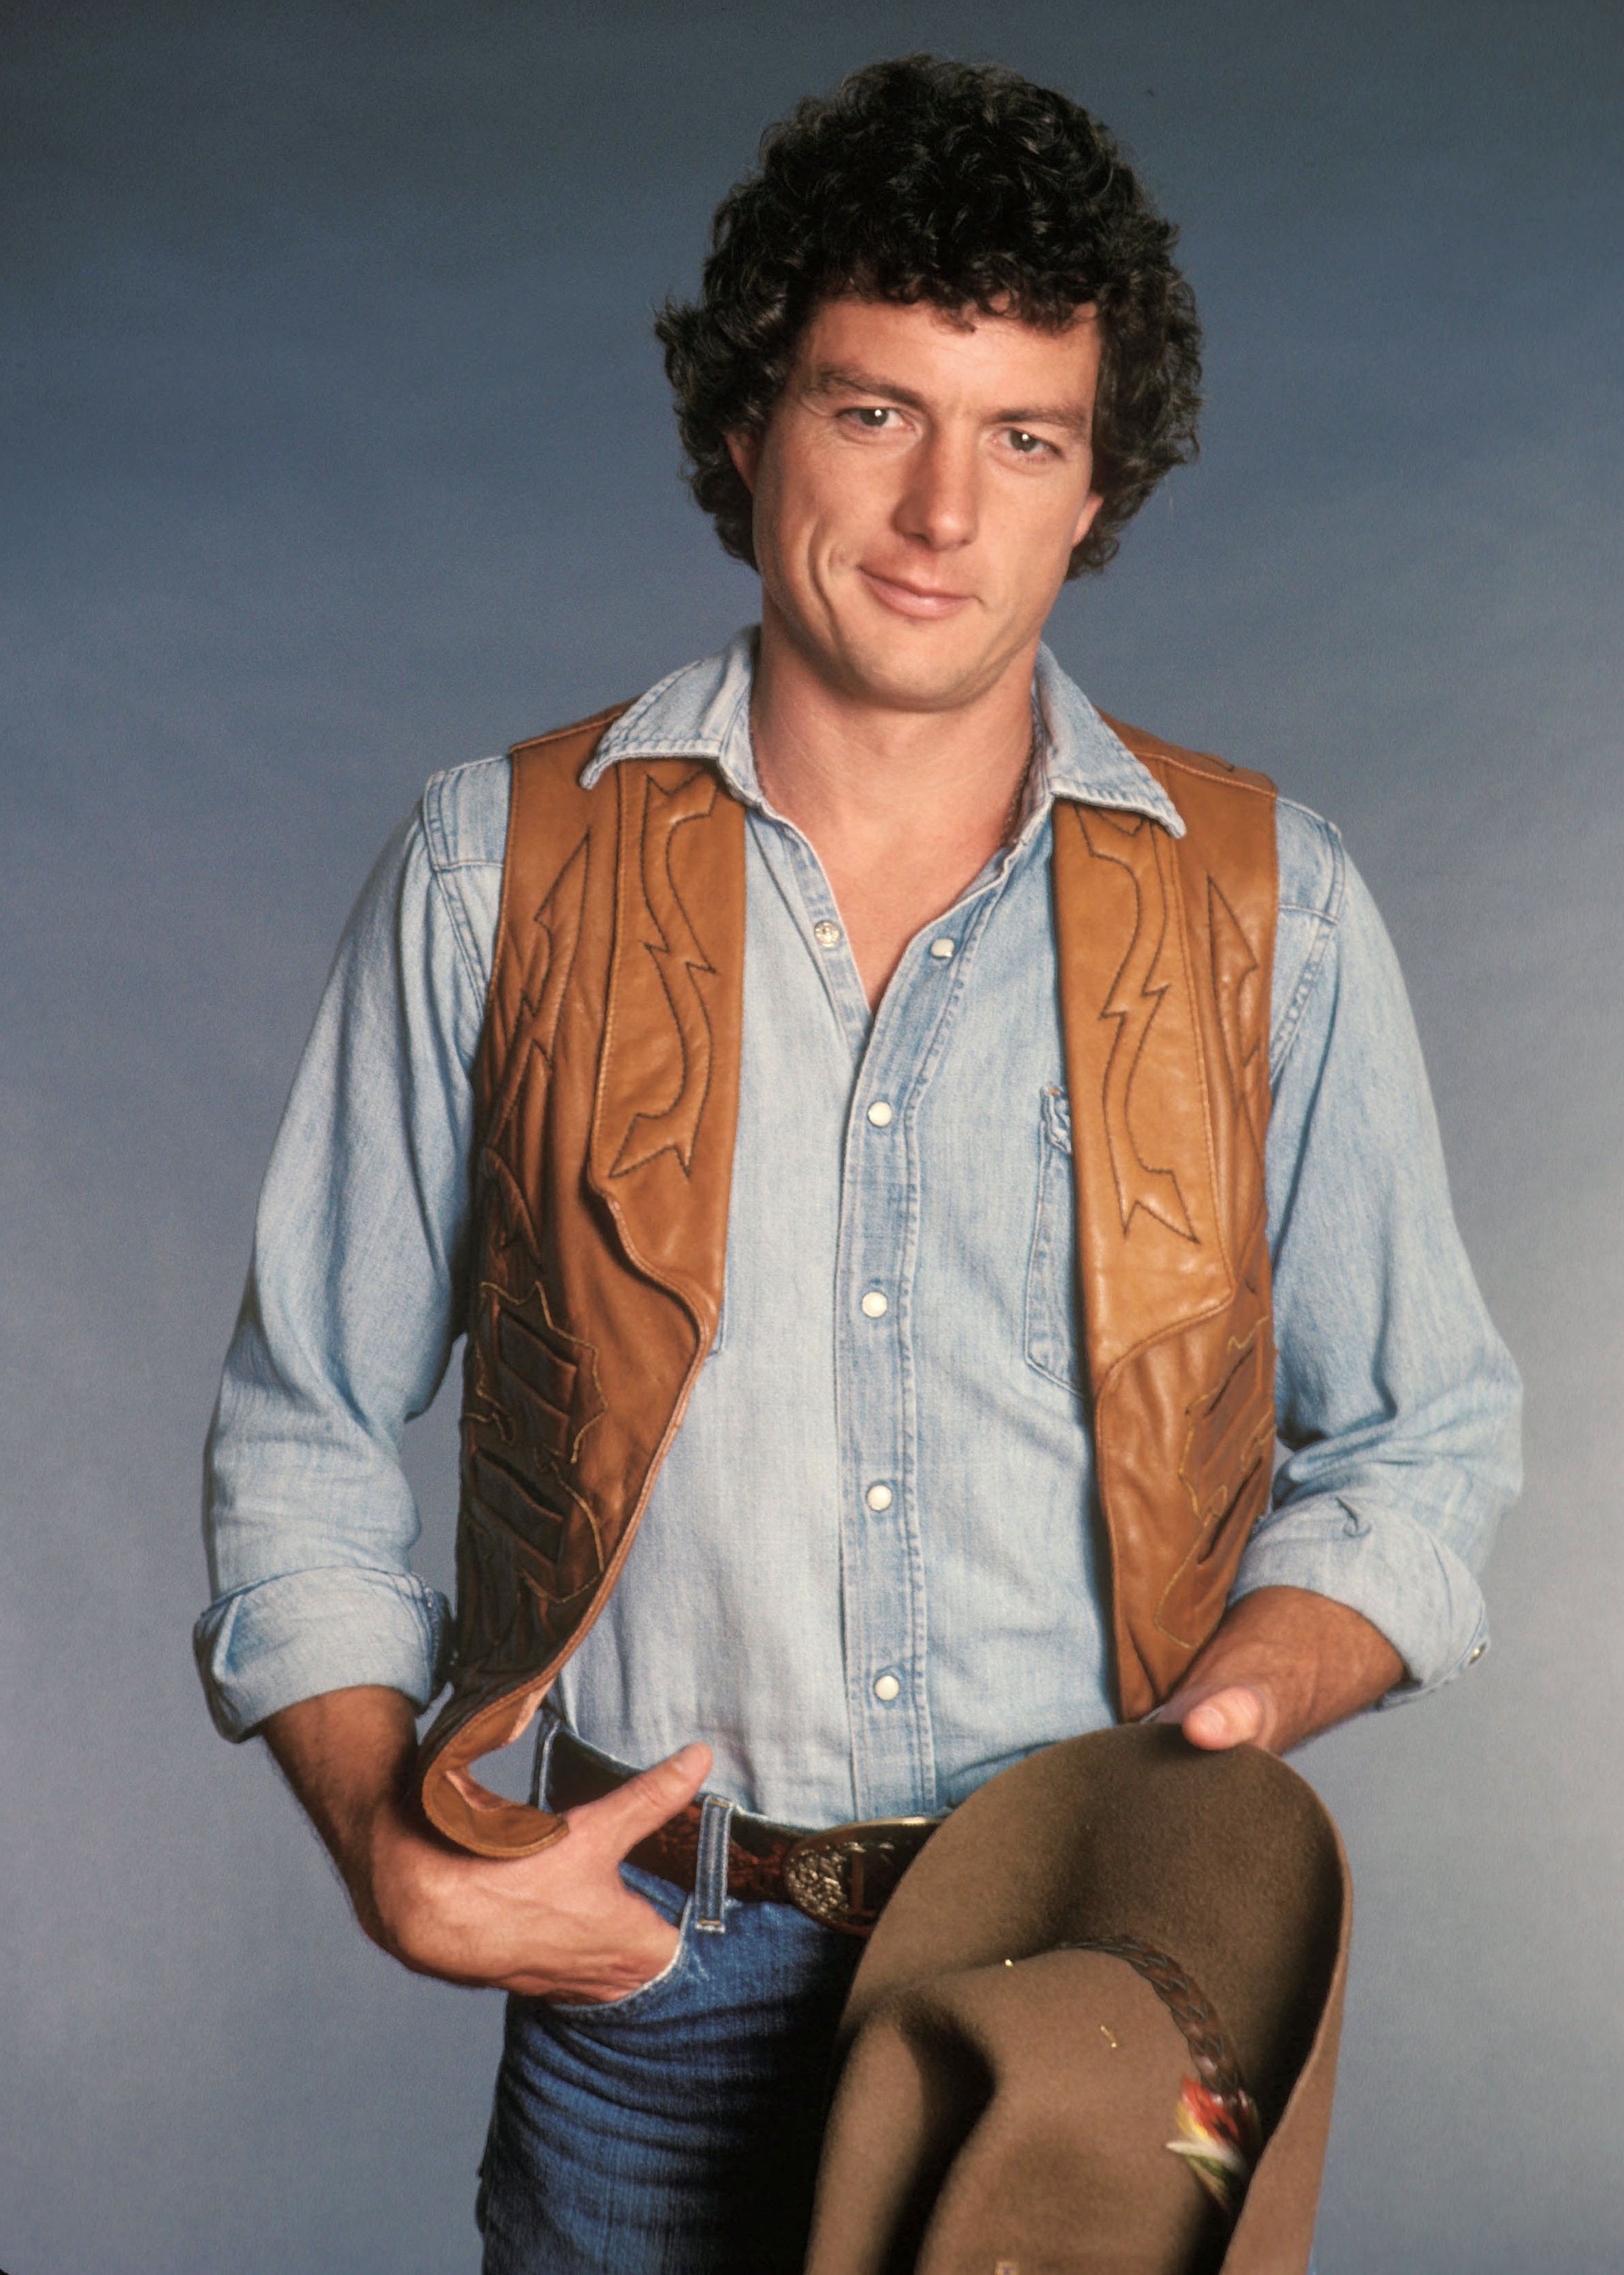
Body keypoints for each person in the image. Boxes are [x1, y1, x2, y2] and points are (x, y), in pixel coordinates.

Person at [195, 54, 1520, 2274]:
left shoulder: (1267, 905)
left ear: (1094, 490)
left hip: (1087, 1988)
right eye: (871, 410)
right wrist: (391, 1845)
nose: (939, 515)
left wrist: (1247, 1702)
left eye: (1022, 438)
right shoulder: (489, 870)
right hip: (644, 1977)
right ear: (747, 425)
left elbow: (1427, 1441)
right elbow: (304, 1431)